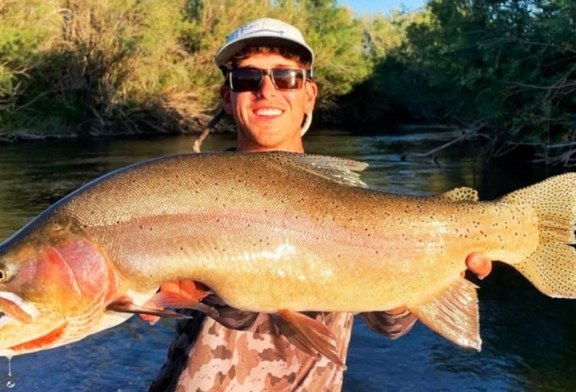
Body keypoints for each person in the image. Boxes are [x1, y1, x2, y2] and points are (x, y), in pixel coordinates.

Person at [149, 18, 492, 392]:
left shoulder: (348, 199)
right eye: (247, 78)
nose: (267, 90)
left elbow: (388, 324)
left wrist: (431, 271)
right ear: (227, 98)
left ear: (309, 94)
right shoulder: (187, 191)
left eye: (286, 77)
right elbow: (148, 302)